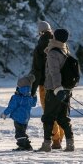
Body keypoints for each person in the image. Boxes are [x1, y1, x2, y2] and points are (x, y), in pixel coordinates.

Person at [37, 28, 74, 152]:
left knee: (48, 117)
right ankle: (70, 144)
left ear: (55, 37)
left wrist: (58, 88)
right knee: (63, 117)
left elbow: (54, 72)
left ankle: (46, 145)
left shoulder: (53, 52)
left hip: (55, 90)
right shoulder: (65, 49)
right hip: (66, 89)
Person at [30, 20, 65, 149]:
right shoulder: (60, 44)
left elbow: (36, 70)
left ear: (39, 32)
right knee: (60, 110)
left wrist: (32, 89)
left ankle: (55, 139)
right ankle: (60, 137)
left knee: (49, 111)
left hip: (45, 84)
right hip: (61, 84)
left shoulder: (40, 47)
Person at [1, 74, 37, 151]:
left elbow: (11, 107)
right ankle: (27, 146)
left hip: (18, 118)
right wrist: (35, 96)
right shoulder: (29, 97)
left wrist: (5, 113)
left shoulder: (17, 98)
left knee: (19, 134)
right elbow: (33, 104)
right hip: (26, 119)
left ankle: (23, 146)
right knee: (22, 132)